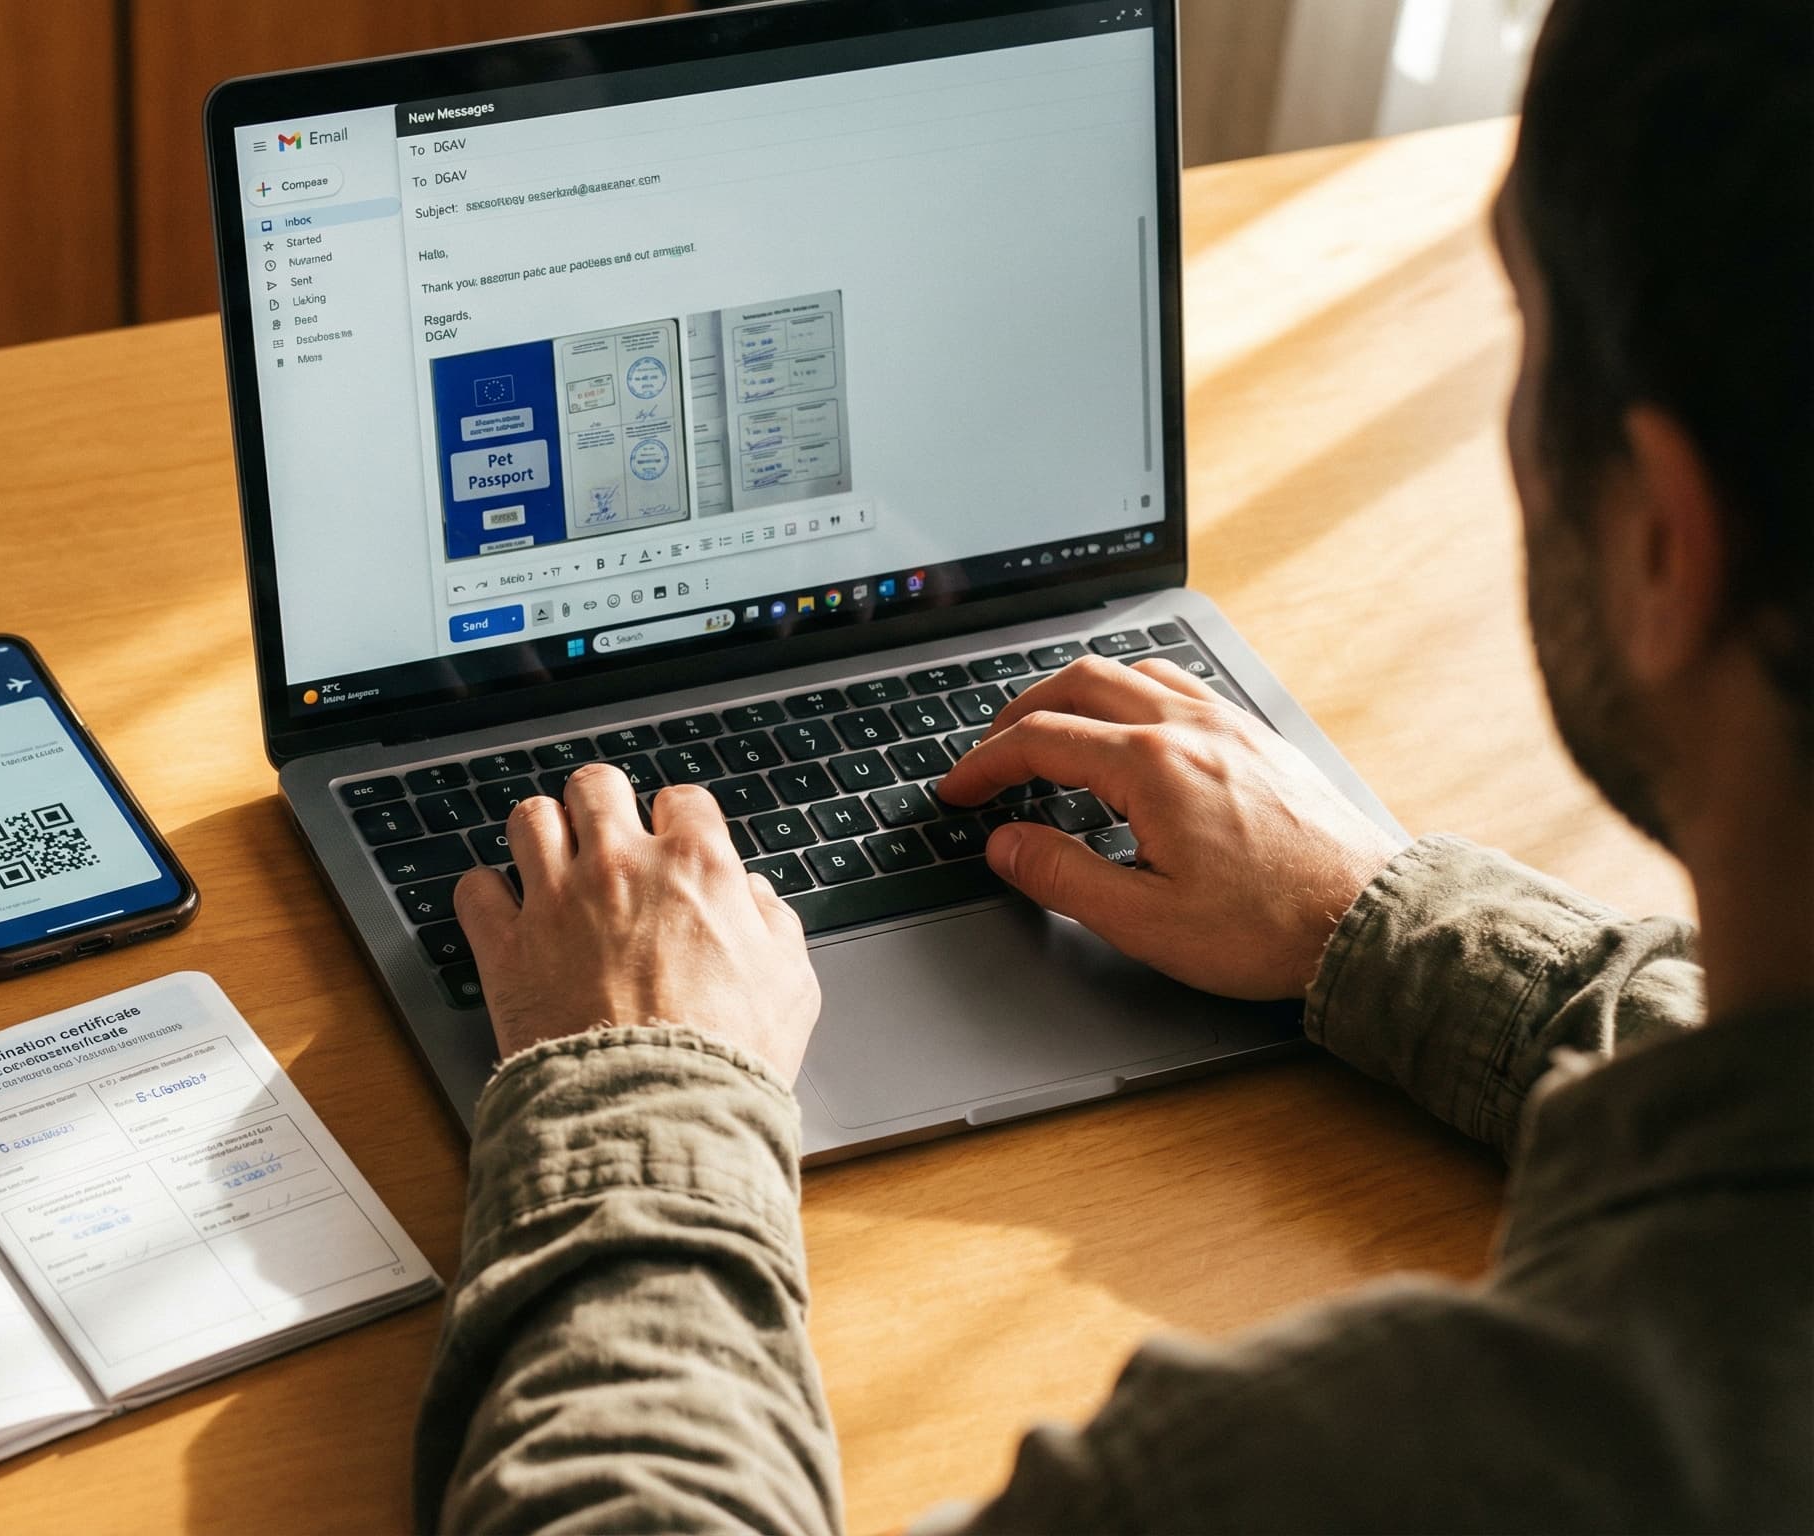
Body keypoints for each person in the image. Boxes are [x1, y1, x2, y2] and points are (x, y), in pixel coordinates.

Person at [410, 0, 1811, 1530]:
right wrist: (1383, 920)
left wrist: (637, 1087)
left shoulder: (1371, 1466)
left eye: (1520, 331)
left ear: (1667, 539)